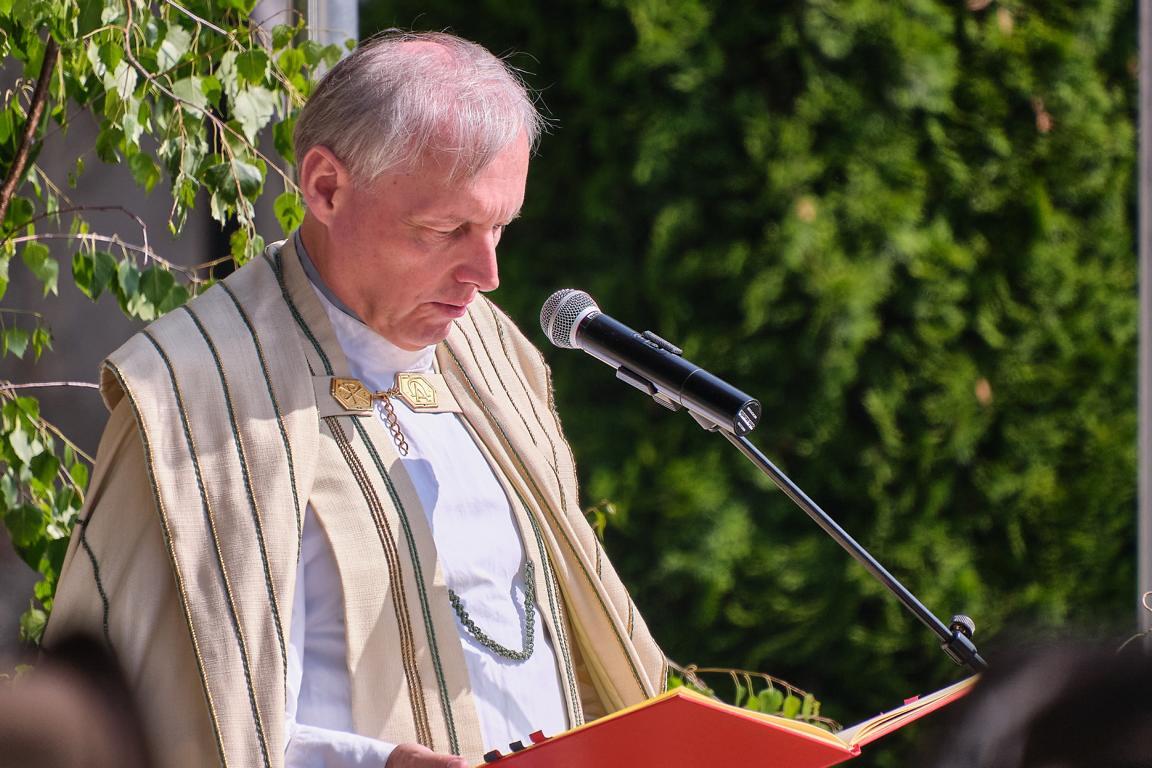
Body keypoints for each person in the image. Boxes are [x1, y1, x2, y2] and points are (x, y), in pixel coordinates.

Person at [45, 30, 667, 768]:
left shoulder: (497, 356)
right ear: (326, 188)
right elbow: (134, 721)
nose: (487, 272)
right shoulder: (188, 396)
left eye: (500, 227)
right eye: (447, 229)